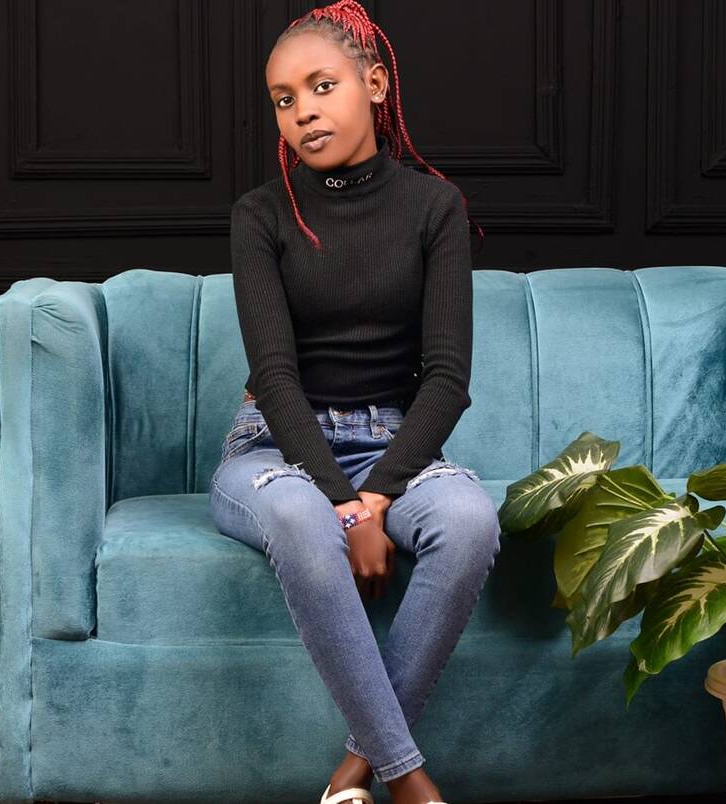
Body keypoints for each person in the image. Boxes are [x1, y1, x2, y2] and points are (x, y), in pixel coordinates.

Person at [209, 3, 501, 803]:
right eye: (283, 99)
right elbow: (274, 376)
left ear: (374, 84)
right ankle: (407, 777)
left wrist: (377, 495)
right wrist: (343, 504)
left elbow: (447, 376)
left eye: (321, 86)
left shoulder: (434, 208)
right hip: (274, 444)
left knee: (469, 521)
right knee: (300, 518)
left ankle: (356, 769)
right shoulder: (260, 216)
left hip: (392, 443)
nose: (302, 111)